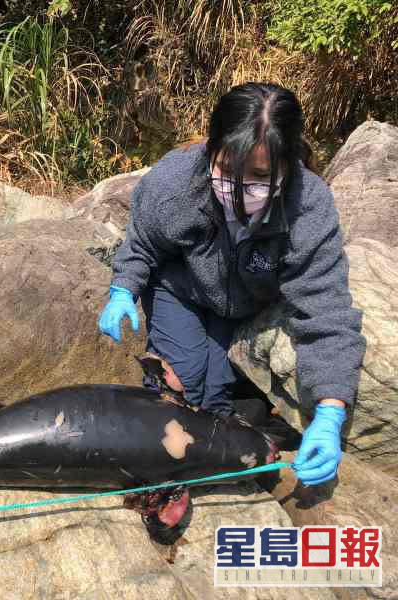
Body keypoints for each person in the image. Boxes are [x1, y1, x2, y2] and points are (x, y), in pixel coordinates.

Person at [98, 82, 365, 488]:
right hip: (180, 289)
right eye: (227, 169)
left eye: (259, 176)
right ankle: (157, 466)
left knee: (217, 396)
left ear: (288, 164)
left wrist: (330, 411)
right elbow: (143, 243)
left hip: (243, 304)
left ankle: (205, 473)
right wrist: (123, 289)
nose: (240, 188)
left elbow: (325, 309)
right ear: (210, 150)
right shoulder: (175, 183)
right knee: (181, 382)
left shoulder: (306, 207)